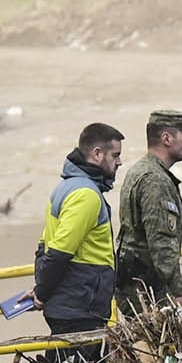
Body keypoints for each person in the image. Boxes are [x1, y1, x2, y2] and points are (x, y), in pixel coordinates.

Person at [35, 122, 124, 335]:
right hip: (80, 308)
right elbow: (59, 252)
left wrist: (42, 289)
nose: (120, 162)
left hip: (71, 304)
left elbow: (44, 245)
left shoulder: (66, 187)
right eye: (115, 155)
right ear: (97, 154)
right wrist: (41, 293)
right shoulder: (86, 195)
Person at [115, 109, 182, 313]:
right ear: (166, 138)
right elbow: (162, 247)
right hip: (147, 291)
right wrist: (180, 295)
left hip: (134, 285)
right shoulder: (155, 181)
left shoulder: (141, 170)